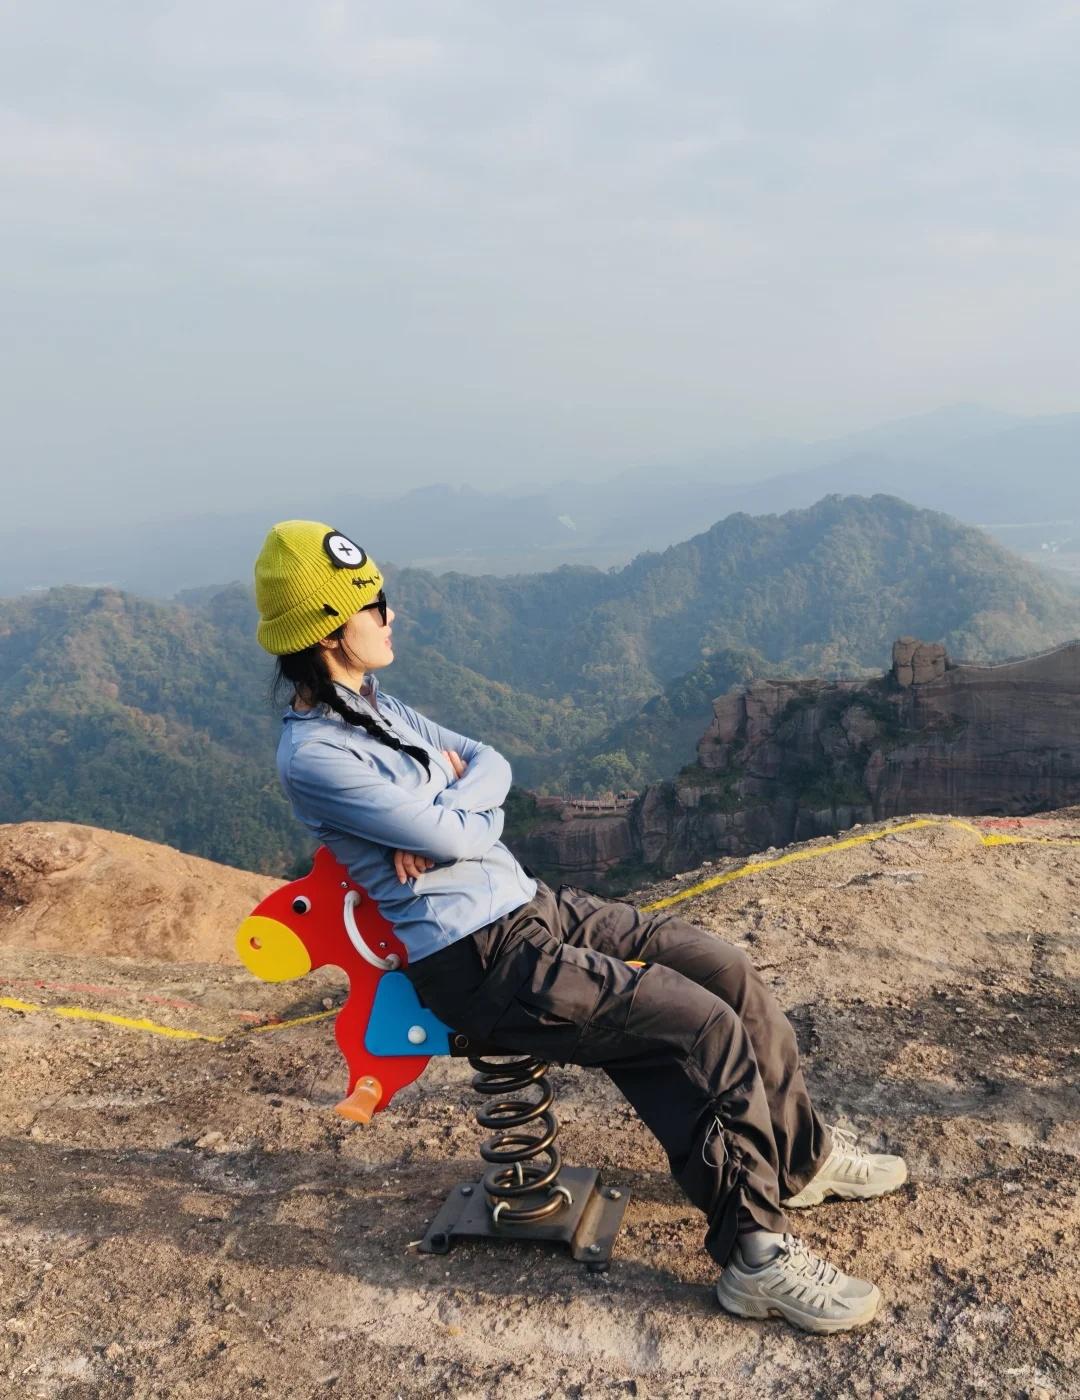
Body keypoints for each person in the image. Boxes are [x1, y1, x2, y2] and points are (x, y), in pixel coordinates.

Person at [253, 520, 907, 1334]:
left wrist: (444, 815)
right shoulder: (316, 755)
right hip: (481, 961)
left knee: (719, 967)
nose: (392, 615)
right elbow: (464, 831)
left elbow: (489, 764)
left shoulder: (382, 712)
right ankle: (756, 1257)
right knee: (698, 1028)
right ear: (325, 630)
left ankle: (799, 1157)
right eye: (373, 604)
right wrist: (454, 821)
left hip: (532, 907)